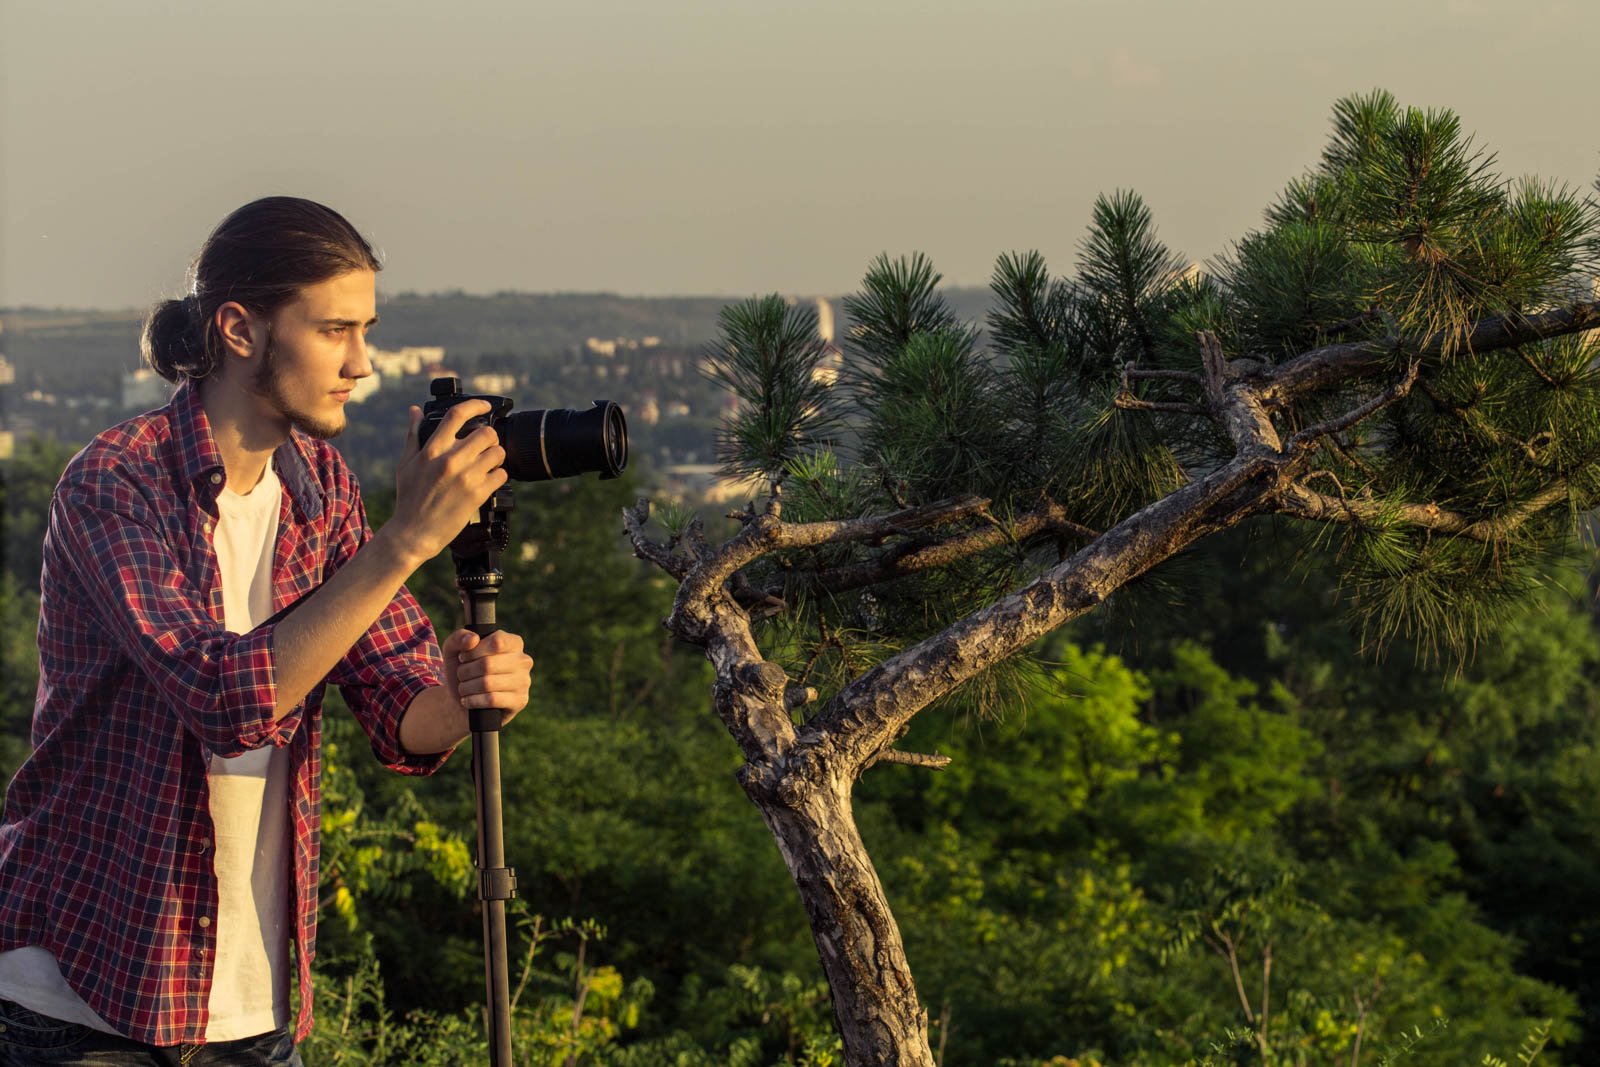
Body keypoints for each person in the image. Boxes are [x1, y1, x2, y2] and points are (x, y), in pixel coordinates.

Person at [0, 197, 534, 1065]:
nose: (362, 363)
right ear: (240, 328)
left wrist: (472, 693)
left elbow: (402, 708)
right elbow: (223, 697)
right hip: (84, 1000)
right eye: (334, 330)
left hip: (252, 1001)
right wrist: (406, 540)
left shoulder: (321, 485)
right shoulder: (114, 484)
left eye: (366, 330)